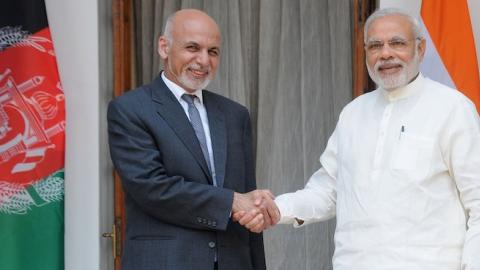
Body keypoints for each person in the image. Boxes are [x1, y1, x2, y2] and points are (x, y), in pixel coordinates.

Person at [235, 8, 480, 270]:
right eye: (375, 45)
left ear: (420, 49)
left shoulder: (452, 108)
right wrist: (276, 208)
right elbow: (327, 191)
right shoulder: (353, 113)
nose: (385, 53)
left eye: (397, 43)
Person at [107, 9, 278, 270]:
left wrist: (252, 212)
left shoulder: (235, 115)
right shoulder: (130, 109)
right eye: (192, 48)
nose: (203, 60)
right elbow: (152, 187)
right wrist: (232, 201)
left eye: (213, 51)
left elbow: (246, 200)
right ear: (164, 47)